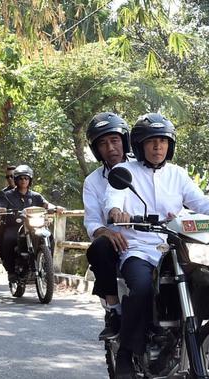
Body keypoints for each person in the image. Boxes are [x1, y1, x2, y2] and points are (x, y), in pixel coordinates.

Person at [104, 113, 209, 378]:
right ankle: (126, 352)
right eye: (151, 142)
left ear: (169, 145)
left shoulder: (177, 174)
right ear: (140, 146)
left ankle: (196, 338)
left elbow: (200, 203)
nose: (158, 146)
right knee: (140, 288)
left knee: (204, 278)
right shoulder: (123, 172)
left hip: (175, 245)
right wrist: (117, 211)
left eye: (162, 141)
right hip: (140, 247)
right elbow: (113, 198)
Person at [83, 112, 131, 339]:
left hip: (152, 238)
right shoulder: (92, 181)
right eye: (102, 143)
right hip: (115, 242)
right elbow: (92, 219)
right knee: (99, 248)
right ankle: (113, 310)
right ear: (96, 150)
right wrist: (105, 231)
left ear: (125, 141)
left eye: (114, 140)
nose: (110, 148)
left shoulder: (144, 168)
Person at [0, 164, 63, 282]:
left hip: (33, 225)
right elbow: (0, 206)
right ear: (16, 180)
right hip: (15, 226)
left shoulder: (35, 196)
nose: (23, 181)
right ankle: (11, 271)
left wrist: (56, 207)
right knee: (8, 239)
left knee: (49, 236)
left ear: (30, 180)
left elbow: (46, 204)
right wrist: (1, 210)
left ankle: (47, 266)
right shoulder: (6, 195)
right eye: (20, 178)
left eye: (26, 178)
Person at [0, 165, 16, 259]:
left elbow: (42, 202)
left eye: (12, 176)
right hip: (7, 222)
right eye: (7, 177)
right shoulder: (3, 193)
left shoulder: (30, 192)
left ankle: (46, 266)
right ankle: (3, 257)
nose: (10, 179)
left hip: (27, 222)